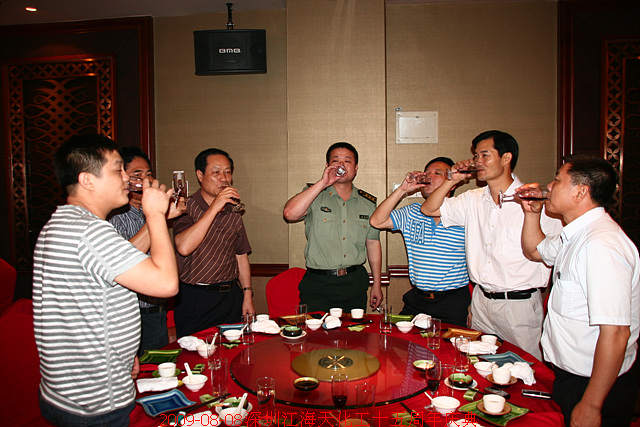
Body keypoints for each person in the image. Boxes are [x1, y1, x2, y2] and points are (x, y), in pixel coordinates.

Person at [33, 134, 178, 426]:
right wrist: (155, 215)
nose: (126, 177)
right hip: (95, 402)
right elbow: (167, 284)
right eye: (117, 169)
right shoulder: (90, 232)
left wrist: (121, 356)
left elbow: (79, 309)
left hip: (67, 391)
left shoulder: (58, 223)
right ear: (87, 180)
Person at [519, 155, 639, 427]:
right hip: (571, 377)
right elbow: (535, 251)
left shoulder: (601, 245)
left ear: (580, 192)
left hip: (594, 384)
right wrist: (532, 214)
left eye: (557, 180)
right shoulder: (575, 234)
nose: (549, 186)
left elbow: (616, 333)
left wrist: (592, 404)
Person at [421, 130, 562, 359]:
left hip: (519, 304)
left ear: (506, 158)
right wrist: (452, 179)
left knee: (525, 366)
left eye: (485, 155)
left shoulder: (535, 200)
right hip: (481, 301)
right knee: (481, 364)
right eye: (476, 156)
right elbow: (429, 209)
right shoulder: (473, 199)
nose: (478, 162)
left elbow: (552, 254)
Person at [369, 157, 470, 326]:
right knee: (400, 338)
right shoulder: (413, 212)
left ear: (452, 182)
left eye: (437, 173)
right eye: (427, 172)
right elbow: (376, 221)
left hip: (452, 301)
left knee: (449, 342)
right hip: (418, 299)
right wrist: (403, 189)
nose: (429, 176)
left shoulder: (464, 213)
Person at [283, 142, 382, 312]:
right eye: (335, 161)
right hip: (318, 284)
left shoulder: (368, 203)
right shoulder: (314, 195)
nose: (341, 165)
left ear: (356, 168)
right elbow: (289, 214)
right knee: (315, 329)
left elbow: (373, 244)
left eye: (347, 161)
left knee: (354, 328)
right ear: (327, 166)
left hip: (355, 282)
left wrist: (377, 284)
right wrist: (323, 183)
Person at [109, 146, 186, 355]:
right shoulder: (115, 216)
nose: (146, 180)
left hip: (156, 310)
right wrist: (157, 217)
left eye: (149, 174)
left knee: (157, 369)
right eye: (137, 175)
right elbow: (125, 261)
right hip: (130, 313)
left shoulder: (151, 210)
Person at [173, 148, 255, 338]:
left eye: (227, 172)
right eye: (216, 172)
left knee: (234, 349)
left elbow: (241, 255)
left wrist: (247, 295)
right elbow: (184, 247)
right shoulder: (185, 206)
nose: (224, 178)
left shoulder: (233, 210)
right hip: (196, 298)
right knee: (196, 352)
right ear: (200, 175)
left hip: (230, 296)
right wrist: (215, 206)